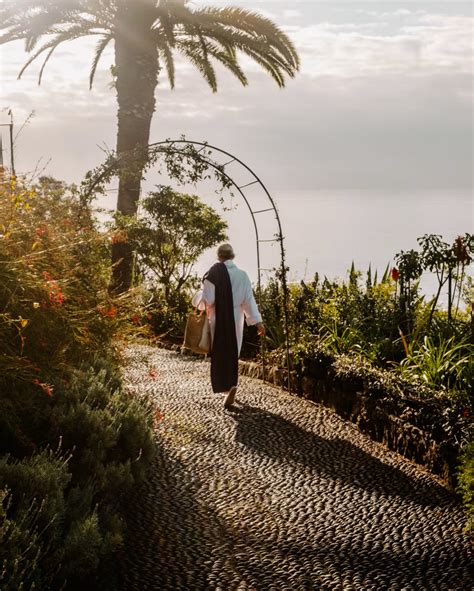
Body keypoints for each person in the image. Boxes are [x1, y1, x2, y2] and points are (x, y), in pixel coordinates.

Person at [193, 243, 265, 408]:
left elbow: (208, 300)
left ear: (219, 257)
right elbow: (249, 301)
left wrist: (196, 298)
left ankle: (227, 389)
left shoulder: (214, 274)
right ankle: (231, 386)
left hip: (218, 320)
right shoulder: (243, 276)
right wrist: (258, 322)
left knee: (220, 353)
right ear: (233, 256)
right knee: (232, 353)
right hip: (236, 319)